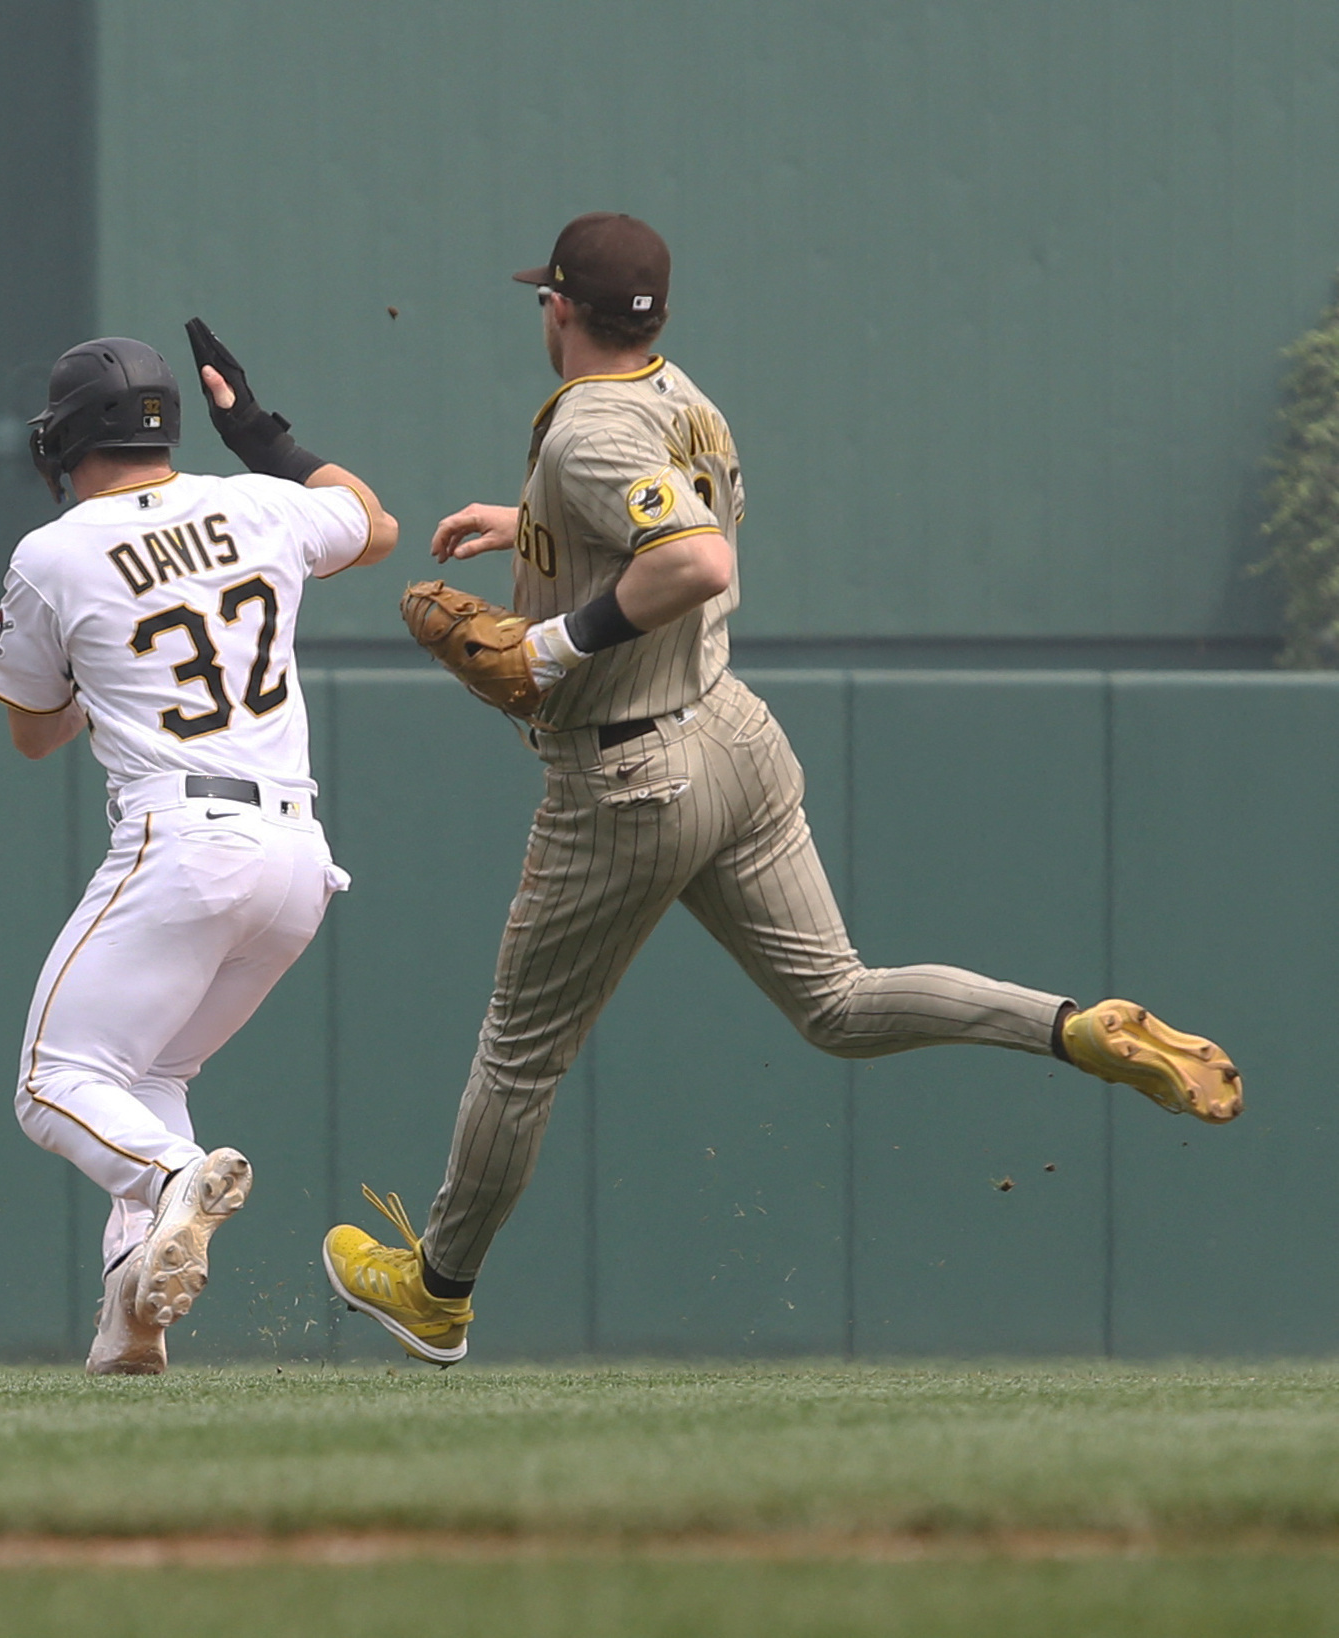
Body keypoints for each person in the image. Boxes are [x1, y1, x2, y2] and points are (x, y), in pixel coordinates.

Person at [322, 214, 1243, 1366]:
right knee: (841, 1003)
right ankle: (1072, 1029)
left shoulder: (590, 432)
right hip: (735, 737)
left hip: (628, 773)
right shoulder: (681, 394)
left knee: (521, 1053)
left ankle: (438, 1290)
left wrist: (554, 645)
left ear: (559, 307)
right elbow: (683, 521)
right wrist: (537, 530)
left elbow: (698, 559)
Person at [0, 324, 397, 1374]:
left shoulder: (53, 552)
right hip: (298, 860)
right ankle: (133, 1315)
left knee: (53, 1082)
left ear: (65, 439)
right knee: (150, 1068)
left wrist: (93, 672)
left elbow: (30, 735)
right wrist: (261, 432)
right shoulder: (259, 499)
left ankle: (173, 1176)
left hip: (184, 837)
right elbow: (376, 524)